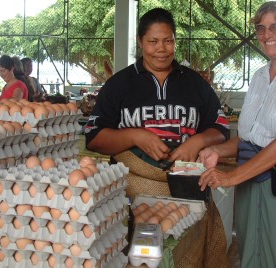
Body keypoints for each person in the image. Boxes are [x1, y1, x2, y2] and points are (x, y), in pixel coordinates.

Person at [85, 7, 230, 267]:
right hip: (135, 183)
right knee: (141, 253)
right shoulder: (120, 84)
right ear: (140, 42)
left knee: (189, 252)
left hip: (187, 184)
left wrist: (197, 141)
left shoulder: (194, 83)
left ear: (175, 40)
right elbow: (94, 137)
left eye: (168, 40)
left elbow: (220, 128)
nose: (161, 49)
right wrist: (135, 136)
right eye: (152, 42)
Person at [197, 2, 276, 267]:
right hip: (252, 184)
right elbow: (250, 137)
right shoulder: (260, 77)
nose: (267, 34)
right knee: (252, 252)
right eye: (261, 28)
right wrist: (219, 150)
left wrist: (231, 177)